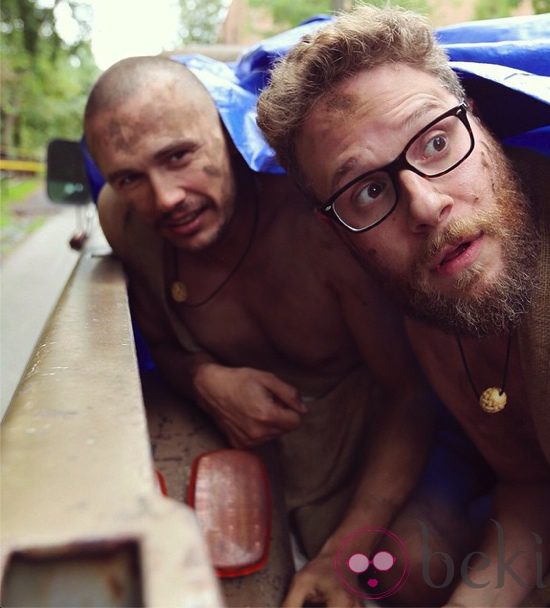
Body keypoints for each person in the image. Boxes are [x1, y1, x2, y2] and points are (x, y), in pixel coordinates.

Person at [257, 5, 550, 607]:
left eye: (438, 141)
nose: (423, 206)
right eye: (369, 190)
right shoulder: (431, 294)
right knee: (399, 572)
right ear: (337, 232)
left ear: (481, 121)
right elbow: (531, 481)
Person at [83, 55, 449, 607]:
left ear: (224, 133)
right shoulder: (127, 220)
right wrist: (205, 377)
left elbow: (412, 394)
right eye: (129, 177)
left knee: (409, 572)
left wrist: (341, 555)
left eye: (179, 156)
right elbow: (161, 349)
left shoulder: (321, 222)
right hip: (253, 458)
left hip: (369, 454)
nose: (164, 198)